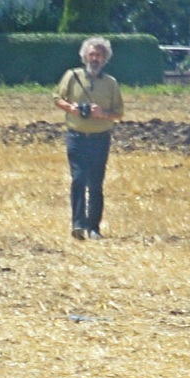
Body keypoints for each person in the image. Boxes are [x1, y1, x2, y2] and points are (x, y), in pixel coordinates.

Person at [52, 36, 126, 240]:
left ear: (105, 59)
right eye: (92, 54)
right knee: (78, 180)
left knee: (95, 184)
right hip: (76, 136)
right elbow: (57, 98)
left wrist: (103, 114)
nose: (95, 58)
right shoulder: (72, 76)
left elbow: (119, 113)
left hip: (100, 139)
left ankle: (93, 228)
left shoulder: (111, 84)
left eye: (99, 55)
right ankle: (77, 224)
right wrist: (73, 109)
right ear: (85, 56)